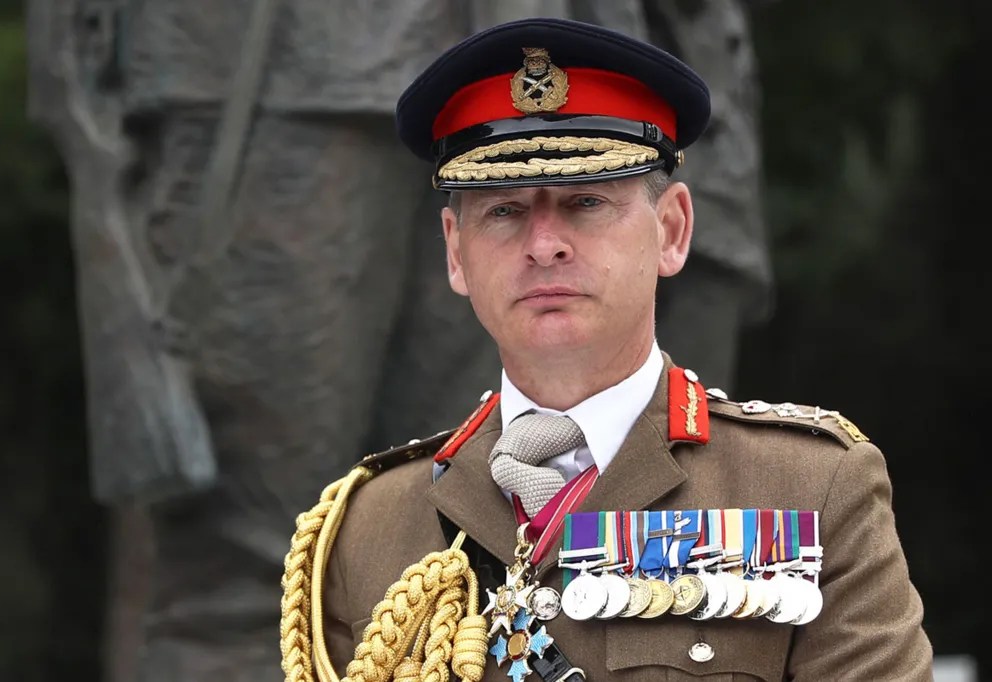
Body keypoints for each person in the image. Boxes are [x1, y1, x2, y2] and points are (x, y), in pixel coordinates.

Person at [279, 17, 932, 682]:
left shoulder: (809, 491)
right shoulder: (369, 526)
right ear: (455, 252)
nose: (544, 245)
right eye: (503, 211)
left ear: (672, 231)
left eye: (586, 203)